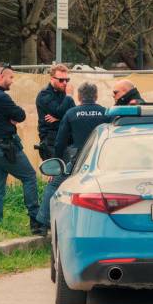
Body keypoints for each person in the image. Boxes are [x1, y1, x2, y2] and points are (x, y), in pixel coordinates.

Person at [0, 62, 44, 235]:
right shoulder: (0, 96)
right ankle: (35, 221)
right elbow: (20, 115)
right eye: (10, 77)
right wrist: (9, 120)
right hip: (3, 148)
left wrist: (6, 119)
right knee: (29, 177)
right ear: (0, 76)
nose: (12, 81)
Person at [36, 82, 110, 227]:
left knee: (53, 185)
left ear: (79, 96)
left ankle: (42, 223)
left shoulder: (71, 113)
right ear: (96, 96)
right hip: (101, 160)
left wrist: (57, 163)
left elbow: (60, 141)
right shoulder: (105, 112)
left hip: (78, 160)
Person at [36, 64, 75, 160]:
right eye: (61, 80)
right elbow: (59, 112)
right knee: (55, 172)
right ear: (52, 79)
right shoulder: (44, 95)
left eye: (67, 80)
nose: (65, 83)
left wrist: (58, 119)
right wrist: (69, 96)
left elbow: (73, 114)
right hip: (51, 141)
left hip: (66, 139)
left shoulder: (64, 94)